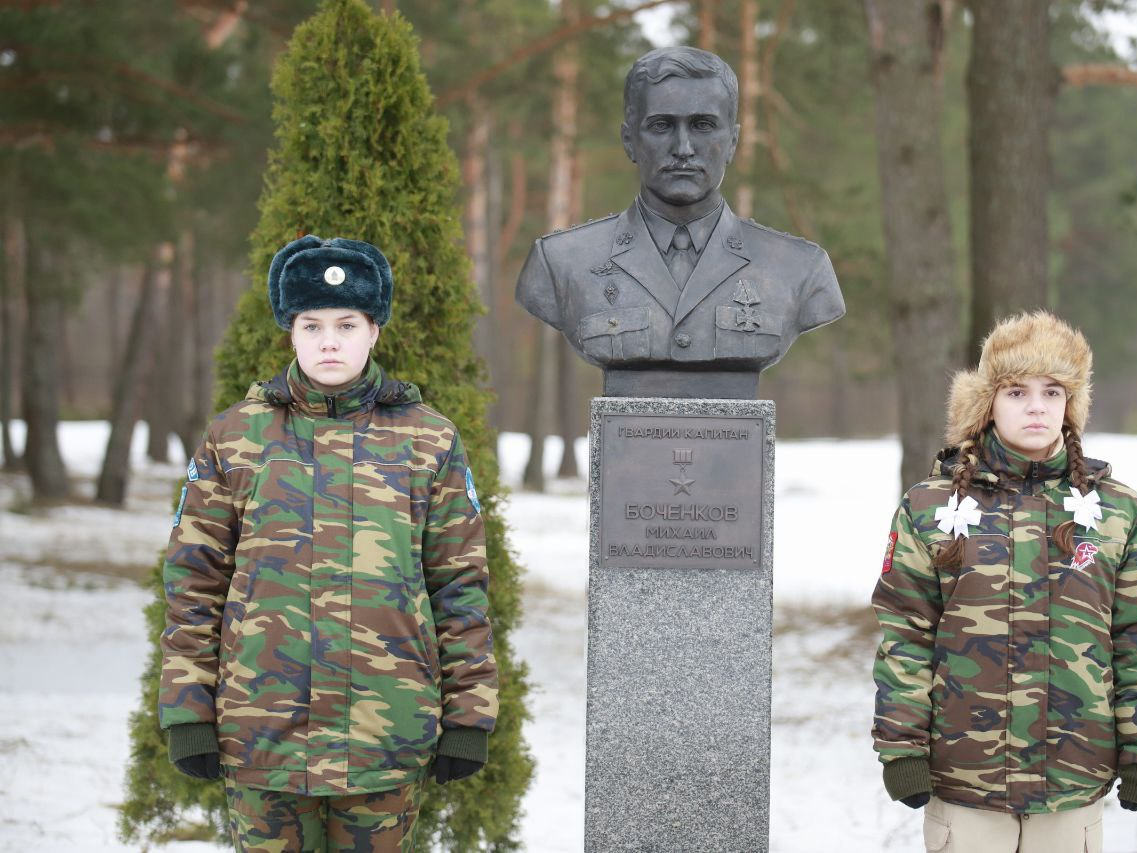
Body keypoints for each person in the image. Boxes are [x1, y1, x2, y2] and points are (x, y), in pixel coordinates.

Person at [157, 235, 499, 851]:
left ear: (374, 331)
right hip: (261, 732)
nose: (329, 342)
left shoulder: (428, 440)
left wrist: (469, 715)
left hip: (386, 734)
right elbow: (194, 581)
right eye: (311, 325)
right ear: (290, 333)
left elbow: (460, 585)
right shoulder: (235, 437)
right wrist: (188, 710)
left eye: (347, 324)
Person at [871, 311, 1137, 853]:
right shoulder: (930, 506)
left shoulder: (1117, 510)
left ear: (1070, 403)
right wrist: (902, 748)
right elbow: (906, 636)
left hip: (1073, 777)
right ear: (988, 402)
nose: (1037, 406)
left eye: (1052, 391)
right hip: (966, 778)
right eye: (1017, 391)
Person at [515, 46, 845, 399]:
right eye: (661, 126)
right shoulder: (561, 261)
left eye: (703, 126)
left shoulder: (799, 268)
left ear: (732, 142)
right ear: (629, 140)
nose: (683, 148)